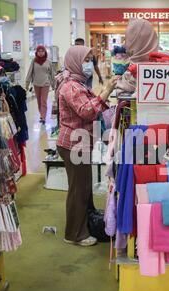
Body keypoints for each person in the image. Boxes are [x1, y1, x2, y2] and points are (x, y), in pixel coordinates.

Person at [55, 45, 117, 246]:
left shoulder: (77, 82)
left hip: (79, 142)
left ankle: (86, 220)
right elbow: (87, 111)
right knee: (78, 190)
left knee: (83, 187)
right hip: (73, 145)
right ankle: (74, 234)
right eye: (86, 60)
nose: (90, 64)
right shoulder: (70, 86)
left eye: (91, 59)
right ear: (75, 61)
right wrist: (106, 91)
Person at [116, 19, 159, 95]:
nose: (126, 44)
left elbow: (121, 94)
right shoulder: (164, 69)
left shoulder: (131, 73)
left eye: (128, 39)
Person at [25, 45, 56, 125]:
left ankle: (43, 117)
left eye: (42, 51)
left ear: (45, 52)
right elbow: (30, 72)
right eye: (39, 51)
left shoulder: (48, 61)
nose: (41, 53)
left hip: (46, 83)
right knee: (39, 101)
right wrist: (27, 84)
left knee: (43, 101)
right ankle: (42, 114)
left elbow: (52, 74)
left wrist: (54, 85)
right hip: (36, 83)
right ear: (37, 52)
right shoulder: (34, 61)